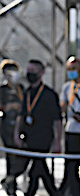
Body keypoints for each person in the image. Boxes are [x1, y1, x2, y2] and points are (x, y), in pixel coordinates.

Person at [14, 59, 62, 196]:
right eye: (28, 71)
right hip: (29, 137)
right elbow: (22, 115)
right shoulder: (27, 92)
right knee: (38, 171)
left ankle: (35, 193)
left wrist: (58, 141)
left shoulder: (49, 94)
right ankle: (53, 193)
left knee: (36, 168)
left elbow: (57, 120)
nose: (30, 74)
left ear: (41, 73)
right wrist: (17, 133)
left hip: (43, 138)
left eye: (33, 71)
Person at [58, 57, 80, 196]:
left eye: (75, 69)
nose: (72, 72)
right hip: (71, 129)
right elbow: (62, 106)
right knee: (71, 166)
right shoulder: (67, 87)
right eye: (69, 69)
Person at [0, 59, 27, 195]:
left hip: (21, 126)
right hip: (7, 127)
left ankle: (9, 180)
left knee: (23, 157)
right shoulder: (3, 89)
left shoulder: (21, 88)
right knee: (11, 158)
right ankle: (11, 187)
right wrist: (8, 107)